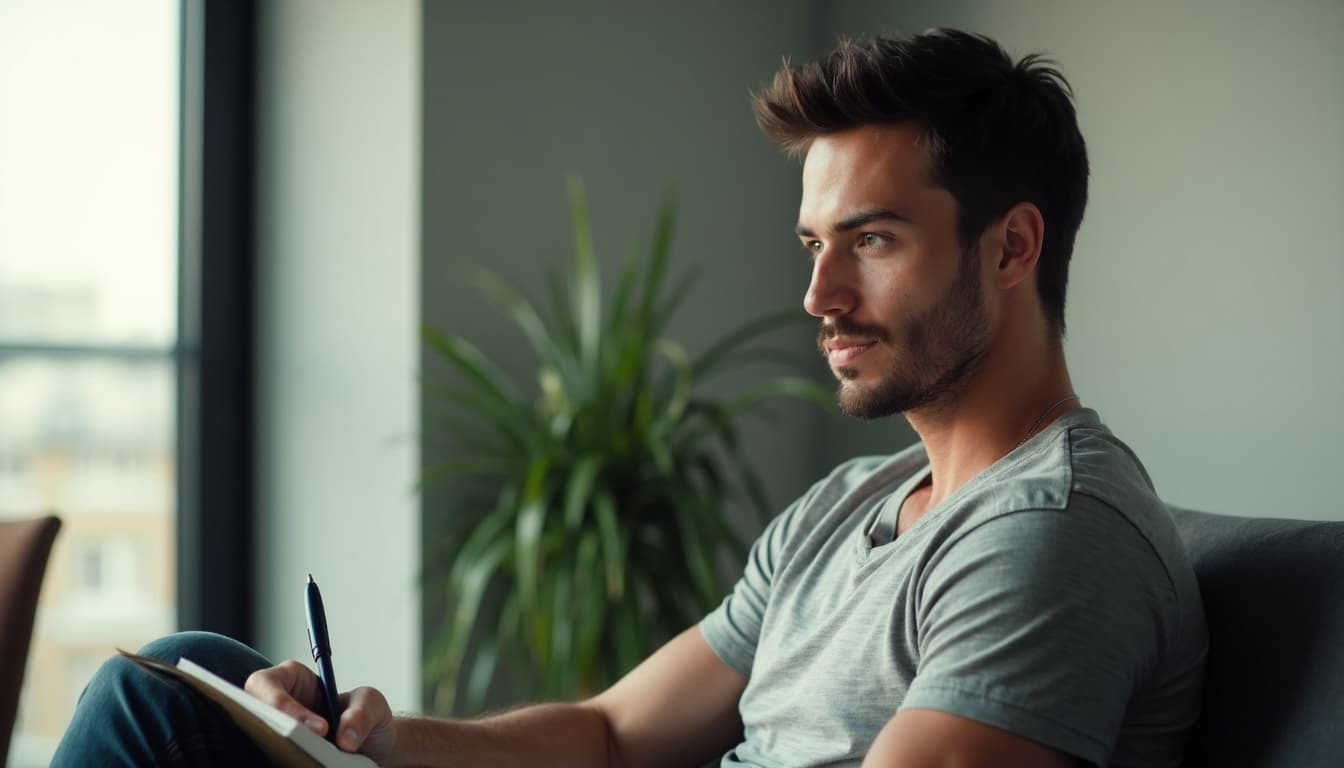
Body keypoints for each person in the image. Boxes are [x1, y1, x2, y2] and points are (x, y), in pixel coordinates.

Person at [53, 29, 1206, 768]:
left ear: (1011, 249)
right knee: (187, 670)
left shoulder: (1048, 536)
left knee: (148, 716)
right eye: (813, 242)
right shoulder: (849, 505)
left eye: (872, 241)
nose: (819, 292)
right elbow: (610, 732)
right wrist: (387, 738)